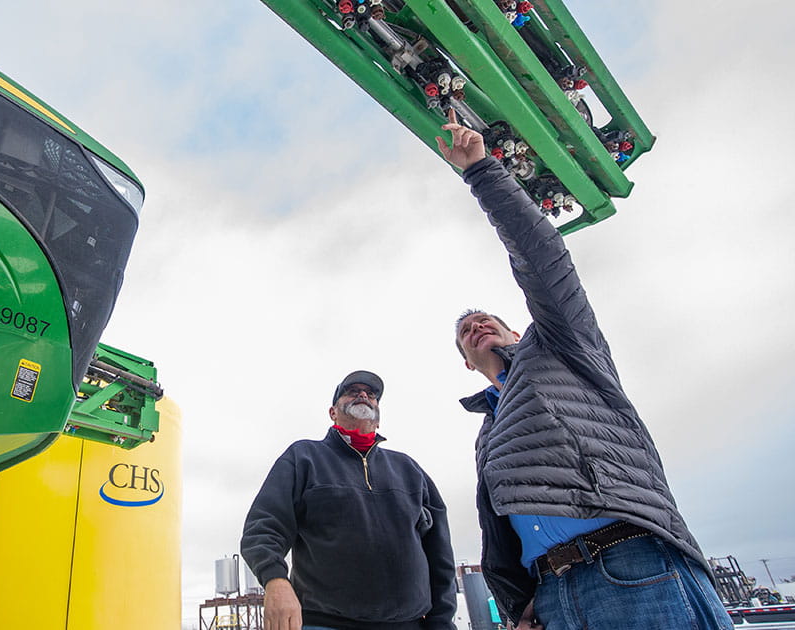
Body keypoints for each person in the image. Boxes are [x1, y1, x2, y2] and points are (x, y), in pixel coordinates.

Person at [437, 111, 733, 630]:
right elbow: (498, 526)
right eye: (467, 331)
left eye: (490, 321)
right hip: (553, 598)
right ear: (466, 361)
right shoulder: (489, 430)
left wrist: (482, 172)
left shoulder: (562, 346)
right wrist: (517, 606)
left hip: (631, 568)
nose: (478, 325)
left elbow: (544, 258)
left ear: (517, 333)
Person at [240, 370, 458, 630]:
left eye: (371, 395)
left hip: (409, 624)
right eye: (352, 391)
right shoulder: (303, 457)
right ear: (332, 412)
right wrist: (275, 581)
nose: (364, 395)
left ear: (378, 419)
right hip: (323, 623)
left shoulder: (409, 469)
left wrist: (442, 622)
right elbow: (263, 526)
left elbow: (440, 553)